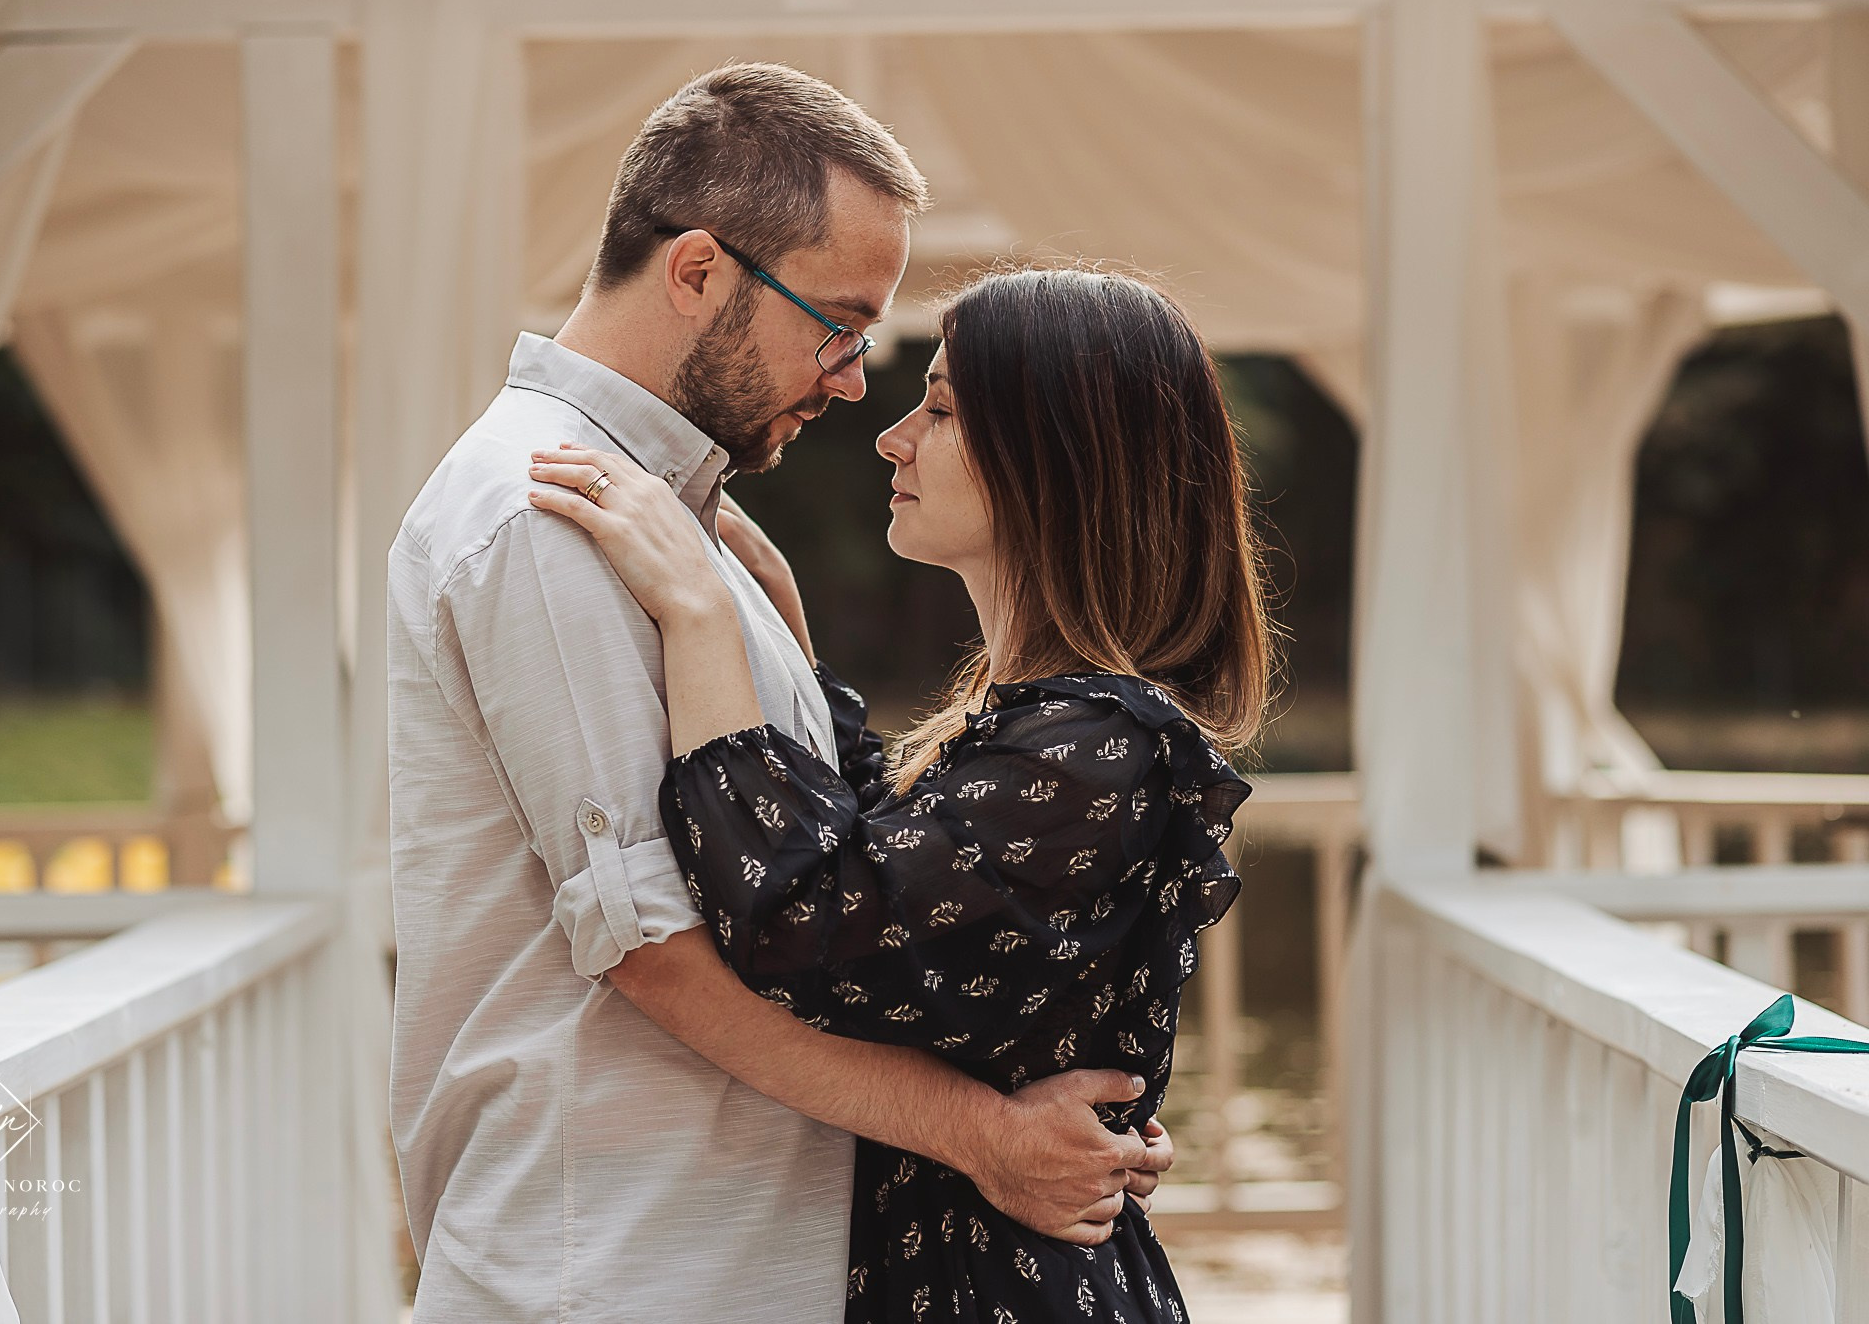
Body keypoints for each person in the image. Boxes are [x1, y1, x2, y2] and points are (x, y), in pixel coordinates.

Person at [387, 65, 1170, 1323]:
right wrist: (988, 1136)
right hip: (614, 1265)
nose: (857, 379)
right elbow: (654, 955)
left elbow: (846, 875)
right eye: (838, 324)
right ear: (697, 270)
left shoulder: (680, 527)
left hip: (709, 1256)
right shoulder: (541, 517)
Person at [526, 264, 1271, 1321]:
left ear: (1050, 460)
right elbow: (879, 845)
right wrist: (770, 604)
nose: (892, 436)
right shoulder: (1044, 728)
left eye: (943, 408)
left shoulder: (1099, 744)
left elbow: (802, 919)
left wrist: (698, 616)